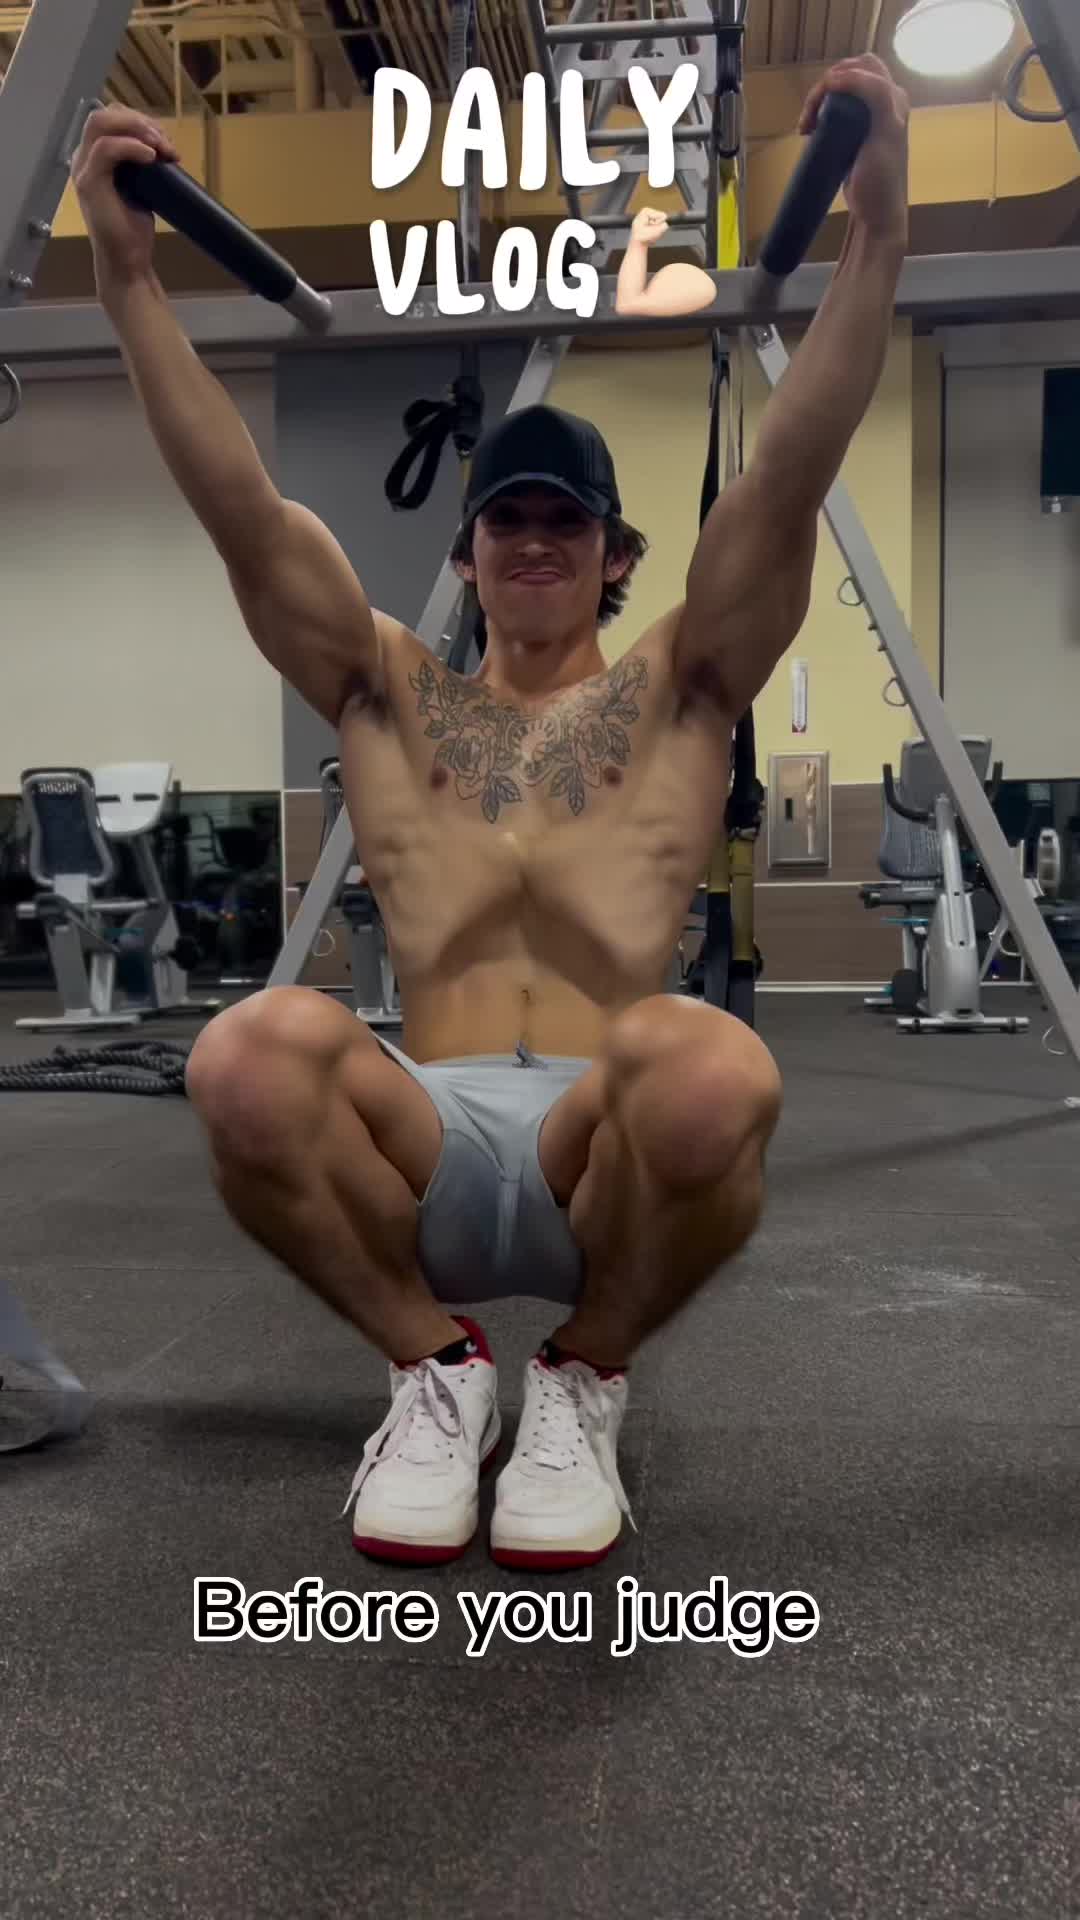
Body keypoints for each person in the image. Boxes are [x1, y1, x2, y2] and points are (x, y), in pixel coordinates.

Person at [71, 54, 909, 1572]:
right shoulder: (385, 693)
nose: (533, 540)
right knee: (245, 1051)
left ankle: (583, 1377)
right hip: (429, 1139)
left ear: (615, 555)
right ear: (465, 552)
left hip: (609, 1150)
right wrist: (130, 286)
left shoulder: (683, 690)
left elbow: (787, 477)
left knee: (710, 1063)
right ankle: (437, 1369)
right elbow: (243, 515)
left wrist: (878, 240)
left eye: (563, 521)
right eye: (505, 519)